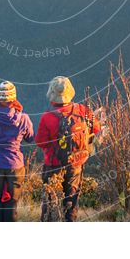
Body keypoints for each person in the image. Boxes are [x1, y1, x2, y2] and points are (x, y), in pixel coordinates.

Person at [35, 76, 100, 222]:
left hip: (53, 165)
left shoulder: (47, 117)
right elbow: (96, 128)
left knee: (50, 201)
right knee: (71, 201)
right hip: (75, 164)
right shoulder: (82, 110)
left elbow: (40, 142)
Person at [0, 81, 34, 222]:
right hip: (15, 165)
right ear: (14, 97)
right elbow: (30, 139)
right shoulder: (24, 118)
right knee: (12, 203)